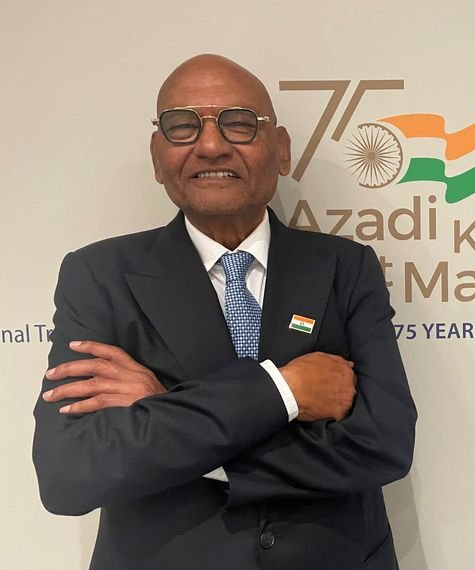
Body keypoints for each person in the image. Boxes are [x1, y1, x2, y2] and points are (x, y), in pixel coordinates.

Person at [32, 54, 416, 570]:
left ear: (281, 150)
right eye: (182, 125)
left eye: (239, 123)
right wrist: (284, 391)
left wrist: (162, 408)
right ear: (157, 155)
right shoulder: (99, 275)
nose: (211, 145)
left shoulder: (346, 267)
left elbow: (383, 444)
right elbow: (70, 472)